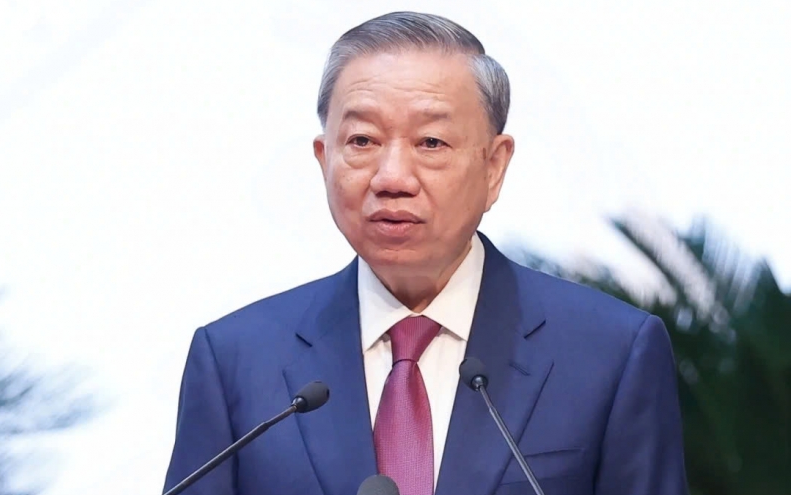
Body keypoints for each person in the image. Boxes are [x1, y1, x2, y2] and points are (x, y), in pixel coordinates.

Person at [163, 11, 688, 495]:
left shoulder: (611, 353)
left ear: (494, 167)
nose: (392, 177)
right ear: (324, 159)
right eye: (362, 141)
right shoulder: (235, 360)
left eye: (431, 143)